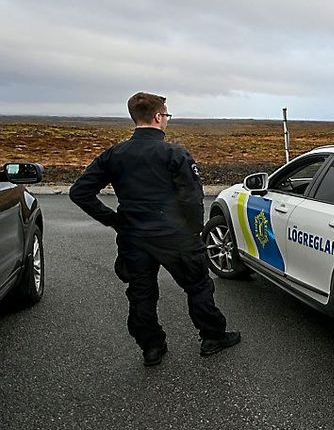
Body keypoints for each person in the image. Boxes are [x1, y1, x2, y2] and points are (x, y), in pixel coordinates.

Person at [70, 92, 240, 366]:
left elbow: (79, 192)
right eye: (167, 115)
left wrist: (114, 220)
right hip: (176, 237)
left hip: (134, 237)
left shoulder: (115, 154)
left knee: (141, 292)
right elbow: (191, 198)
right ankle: (213, 336)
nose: (167, 120)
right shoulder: (174, 153)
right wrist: (193, 231)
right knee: (198, 286)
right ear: (159, 117)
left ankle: (151, 347)